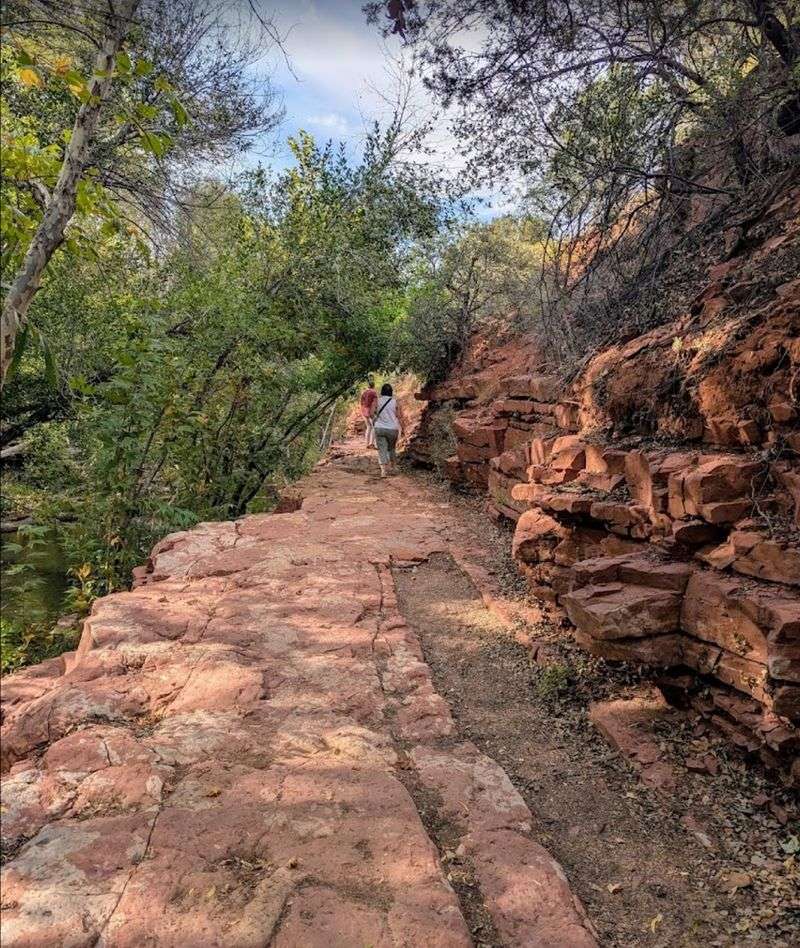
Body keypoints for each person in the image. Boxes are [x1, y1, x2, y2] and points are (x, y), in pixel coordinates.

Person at [371, 382, 405, 477]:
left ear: (382, 391)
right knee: (392, 448)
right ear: (391, 392)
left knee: (382, 449)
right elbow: (399, 416)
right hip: (393, 429)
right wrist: (402, 428)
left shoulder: (376, 400)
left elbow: (371, 413)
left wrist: (376, 418)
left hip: (380, 428)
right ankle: (394, 467)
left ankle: (383, 471)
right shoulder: (395, 402)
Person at [360, 377, 378, 449]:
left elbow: (361, 403)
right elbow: (375, 403)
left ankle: (366, 444)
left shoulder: (363, 392)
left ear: (368, 386)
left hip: (364, 411)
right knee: (374, 427)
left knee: (368, 426)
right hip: (370, 411)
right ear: (373, 386)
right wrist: (375, 411)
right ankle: (372, 443)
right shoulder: (373, 393)